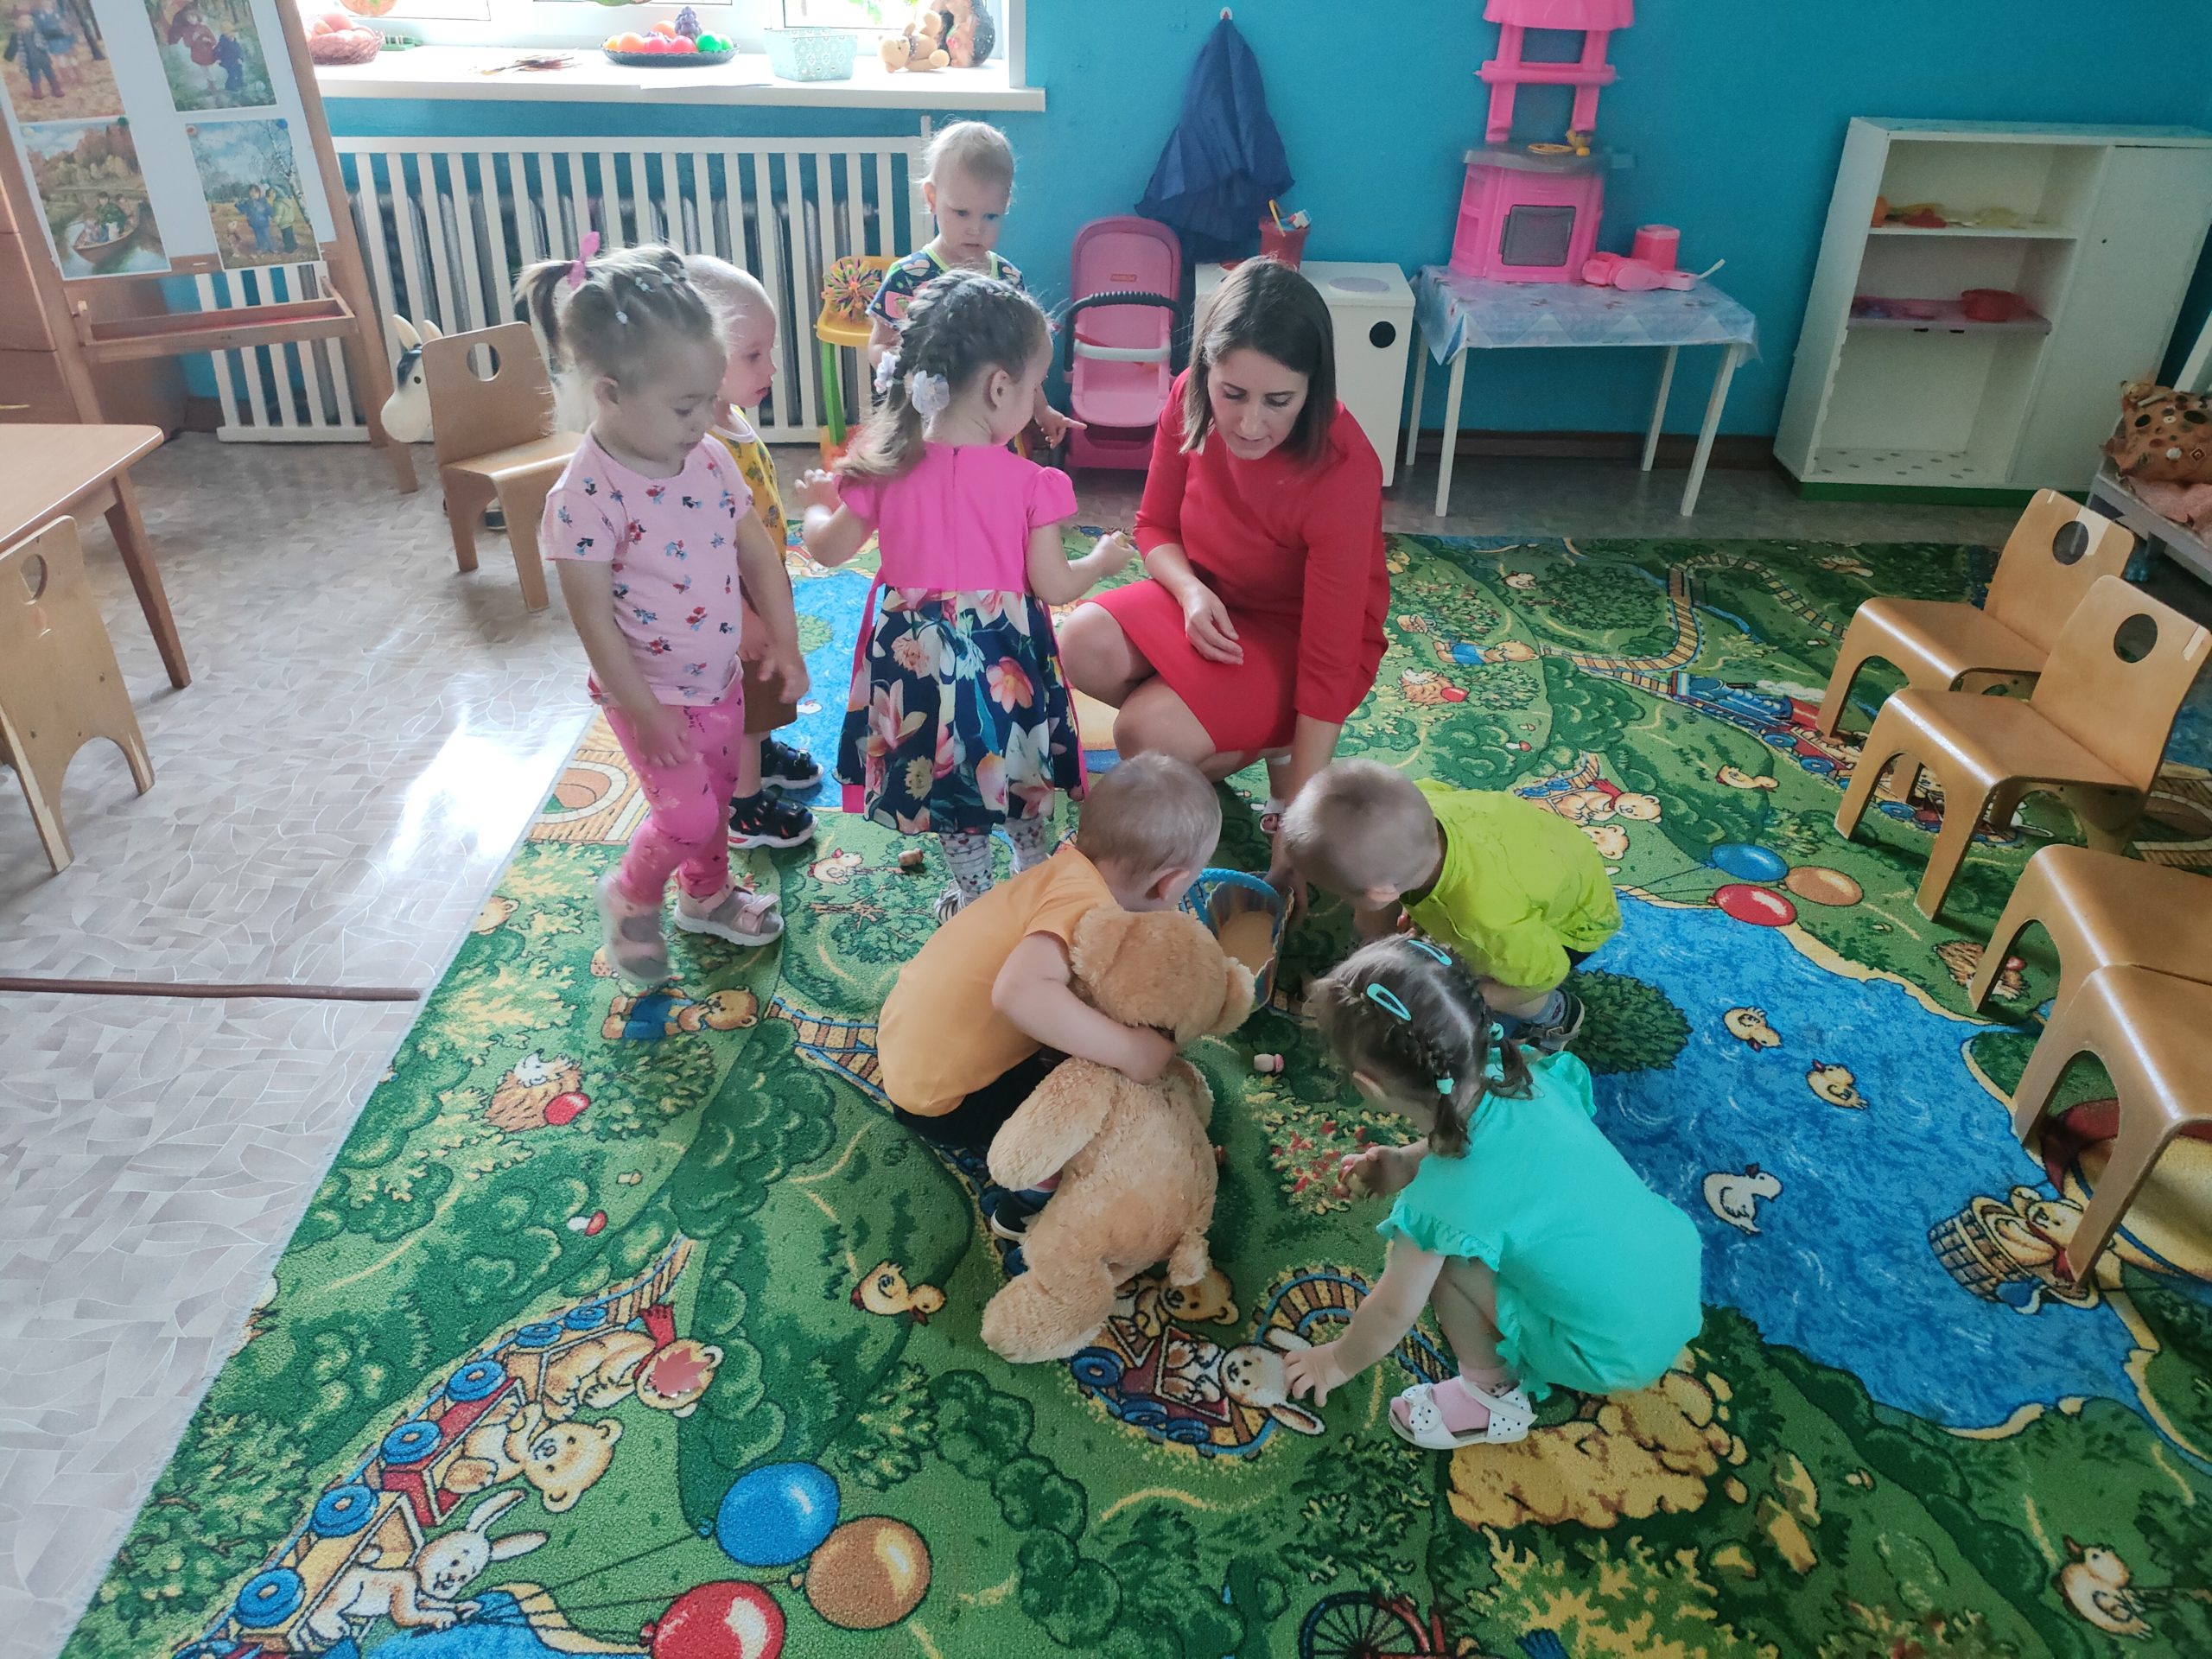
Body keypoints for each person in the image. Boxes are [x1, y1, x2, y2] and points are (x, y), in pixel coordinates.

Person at [518, 242, 809, 986]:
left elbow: (757, 556)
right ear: (610, 393)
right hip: (649, 694)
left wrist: (786, 642)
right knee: (686, 818)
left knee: (716, 802)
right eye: (686, 407)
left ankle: (706, 897)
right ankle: (631, 893)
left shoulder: (708, 458)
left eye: (709, 399)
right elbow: (592, 622)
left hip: (718, 679)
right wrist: (643, 710)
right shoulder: (584, 498)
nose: (705, 419)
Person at [800, 268, 1132, 921]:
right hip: (1001, 658)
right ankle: (1032, 868)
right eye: (1035, 386)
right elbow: (1054, 585)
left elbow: (827, 550)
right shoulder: (1031, 483)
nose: (1035, 399)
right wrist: (1099, 561)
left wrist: (815, 505)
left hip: (915, 661)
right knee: (1017, 758)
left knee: (945, 774)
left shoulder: (883, 468)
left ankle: (975, 894)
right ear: (1000, 387)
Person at [1281, 936, 1702, 1449]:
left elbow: (1392, 1312)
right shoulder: (1529, 1072)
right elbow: (1497, 1154)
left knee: (1450, 1259)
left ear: (1369, 1086)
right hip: (1674, 1276)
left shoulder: (1443, 1204)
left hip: (1605, 1354)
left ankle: (1490, 1395)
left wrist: (1334, 1362)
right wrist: (1407, 1162)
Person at [1056, 257, 1389, 896]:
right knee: (1080, 642)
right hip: (1211, 599)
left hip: (1298, 636)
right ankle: (1224, 727)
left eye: (1279, 401)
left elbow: (1330, 656)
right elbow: (1154, 527)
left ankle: (1267, 744)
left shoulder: (1343, 469)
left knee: (1145, 734)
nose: (1250, 423)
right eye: (1232, 394)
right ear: (1206, 367)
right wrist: (1189, 592)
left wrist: (1297, 824)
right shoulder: (1187, 396)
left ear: (1313, 389)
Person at [875, 753, 1219, 1238]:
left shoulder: (1067, 868)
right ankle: (1031, 1197)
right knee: (1095, 1087)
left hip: (904, 1048)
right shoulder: (1087, 906)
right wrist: (1130, 1051)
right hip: (949, 1104)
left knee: (1077, 1030)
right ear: (1172, 883)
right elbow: (1019, 992)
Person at [1279, 760, 1618, 1047]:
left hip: (1572, 927)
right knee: (1374, 913)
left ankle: (1557, 1014)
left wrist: (1479, 997)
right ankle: (1378, 961)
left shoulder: (1480, 921)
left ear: (1383, 891)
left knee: (1482, 988)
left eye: (1338, 892)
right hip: (1544, 853)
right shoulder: (1420, 804)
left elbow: (1545, 974)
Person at [685, 253, 821, 853]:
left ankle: (760, 755)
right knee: (744, 697)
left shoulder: (731, 415)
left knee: (764, 691)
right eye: (752, 355)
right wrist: (742, 615)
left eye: (770, 351)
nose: (771, 368)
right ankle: (743, 804)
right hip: (732, 597)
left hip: (761, 579)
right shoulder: (697, 443)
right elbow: (701, 548)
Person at [865, 121, 1075, 447]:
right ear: (932, 198)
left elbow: (1022, 364)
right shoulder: (908, 276)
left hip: (988, 437)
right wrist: (913, 377)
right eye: (961, 213)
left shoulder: (1007, 280)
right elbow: (878, 345)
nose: (976, 228)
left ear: (1006, 204)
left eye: (990, 216)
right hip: (919, 432)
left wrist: (1042, 410)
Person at [5, 9, 60, 100]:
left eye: (30, 20)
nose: (28, 22)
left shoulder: (38, 31)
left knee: (50, 73)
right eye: (24, 20)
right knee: (34, 76)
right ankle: (37, 93)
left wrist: (60, 32)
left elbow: (49, 34)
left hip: (42, 57)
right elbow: (12, 48)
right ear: (17, 23)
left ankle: (56, 90)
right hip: (30, 60)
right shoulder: (16, 36)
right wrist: (8, 57)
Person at [234, 183, 274, 254]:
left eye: (255, 192)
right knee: (258, 236)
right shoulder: (248, 203)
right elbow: (243, 210)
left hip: (263, 223)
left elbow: (270, 210)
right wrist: (237, 205)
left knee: (266, 235)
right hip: (254, 223)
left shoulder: (264, 203)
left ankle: (271, 247)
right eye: (251, 191)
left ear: (261, 193)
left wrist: (274, 215)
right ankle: (261, 248)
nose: (252, 194)